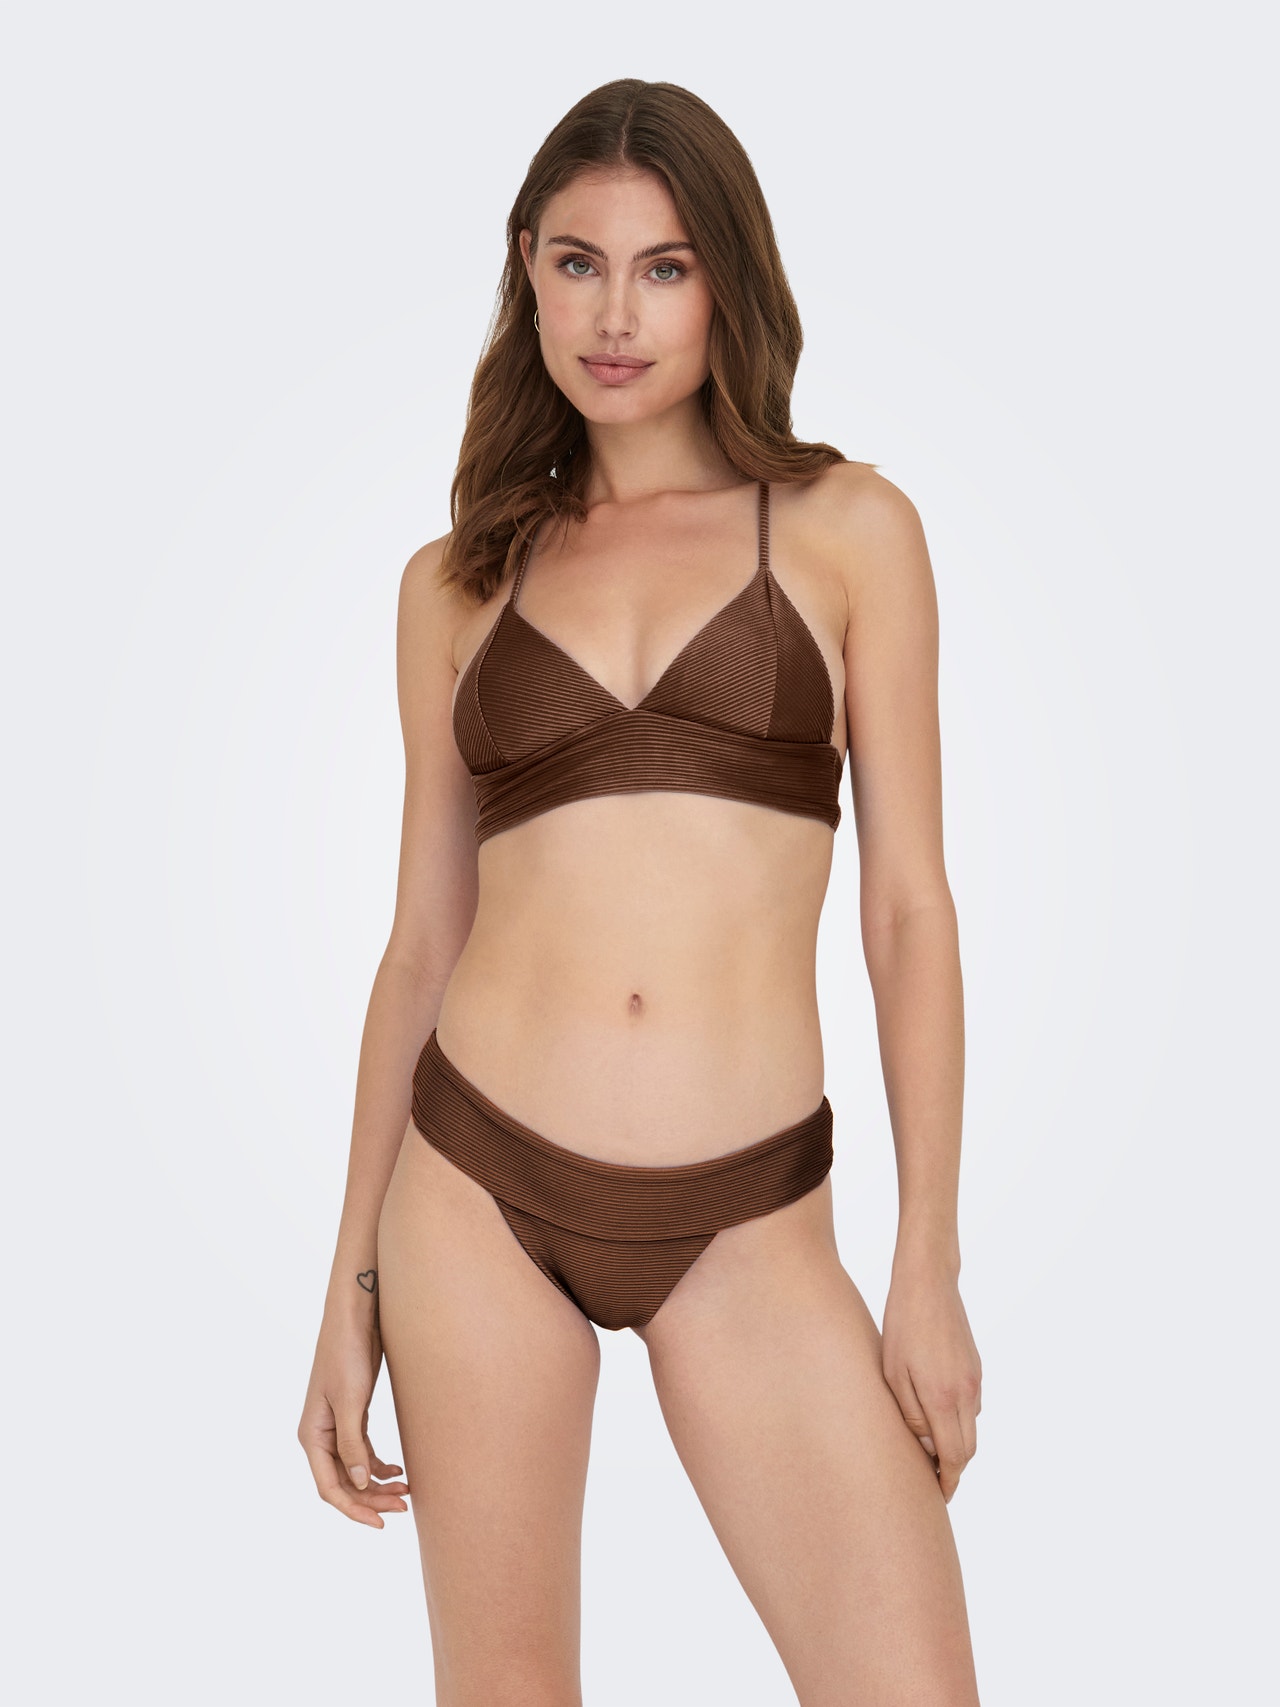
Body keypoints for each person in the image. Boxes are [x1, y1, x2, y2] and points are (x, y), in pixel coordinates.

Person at [298, 76, 983, 1706]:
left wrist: (929, 1261)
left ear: (726, 280)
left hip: (752, 1220)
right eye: (578, 263)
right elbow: (421, 945)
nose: (616, 316)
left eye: (664, 268)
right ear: (526, 276)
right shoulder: (456, 584)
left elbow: (909, 912)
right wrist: (347, 1283)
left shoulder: (848, 529)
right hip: (475, 1189)